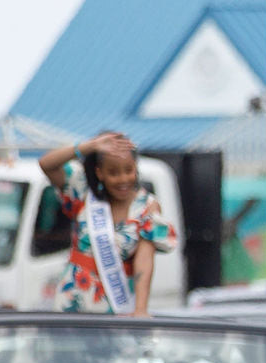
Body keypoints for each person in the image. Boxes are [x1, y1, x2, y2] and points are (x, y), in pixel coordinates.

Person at [37, 132, 176, 316]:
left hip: (117, 303)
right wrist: (89, 146)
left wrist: (141, 310)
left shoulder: (146, 207)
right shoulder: (83, 192)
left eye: (128, 170)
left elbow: (144, 260)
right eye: (113, 173)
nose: (123, 179)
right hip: (73, 298)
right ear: (99, 172)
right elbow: (47, 164)